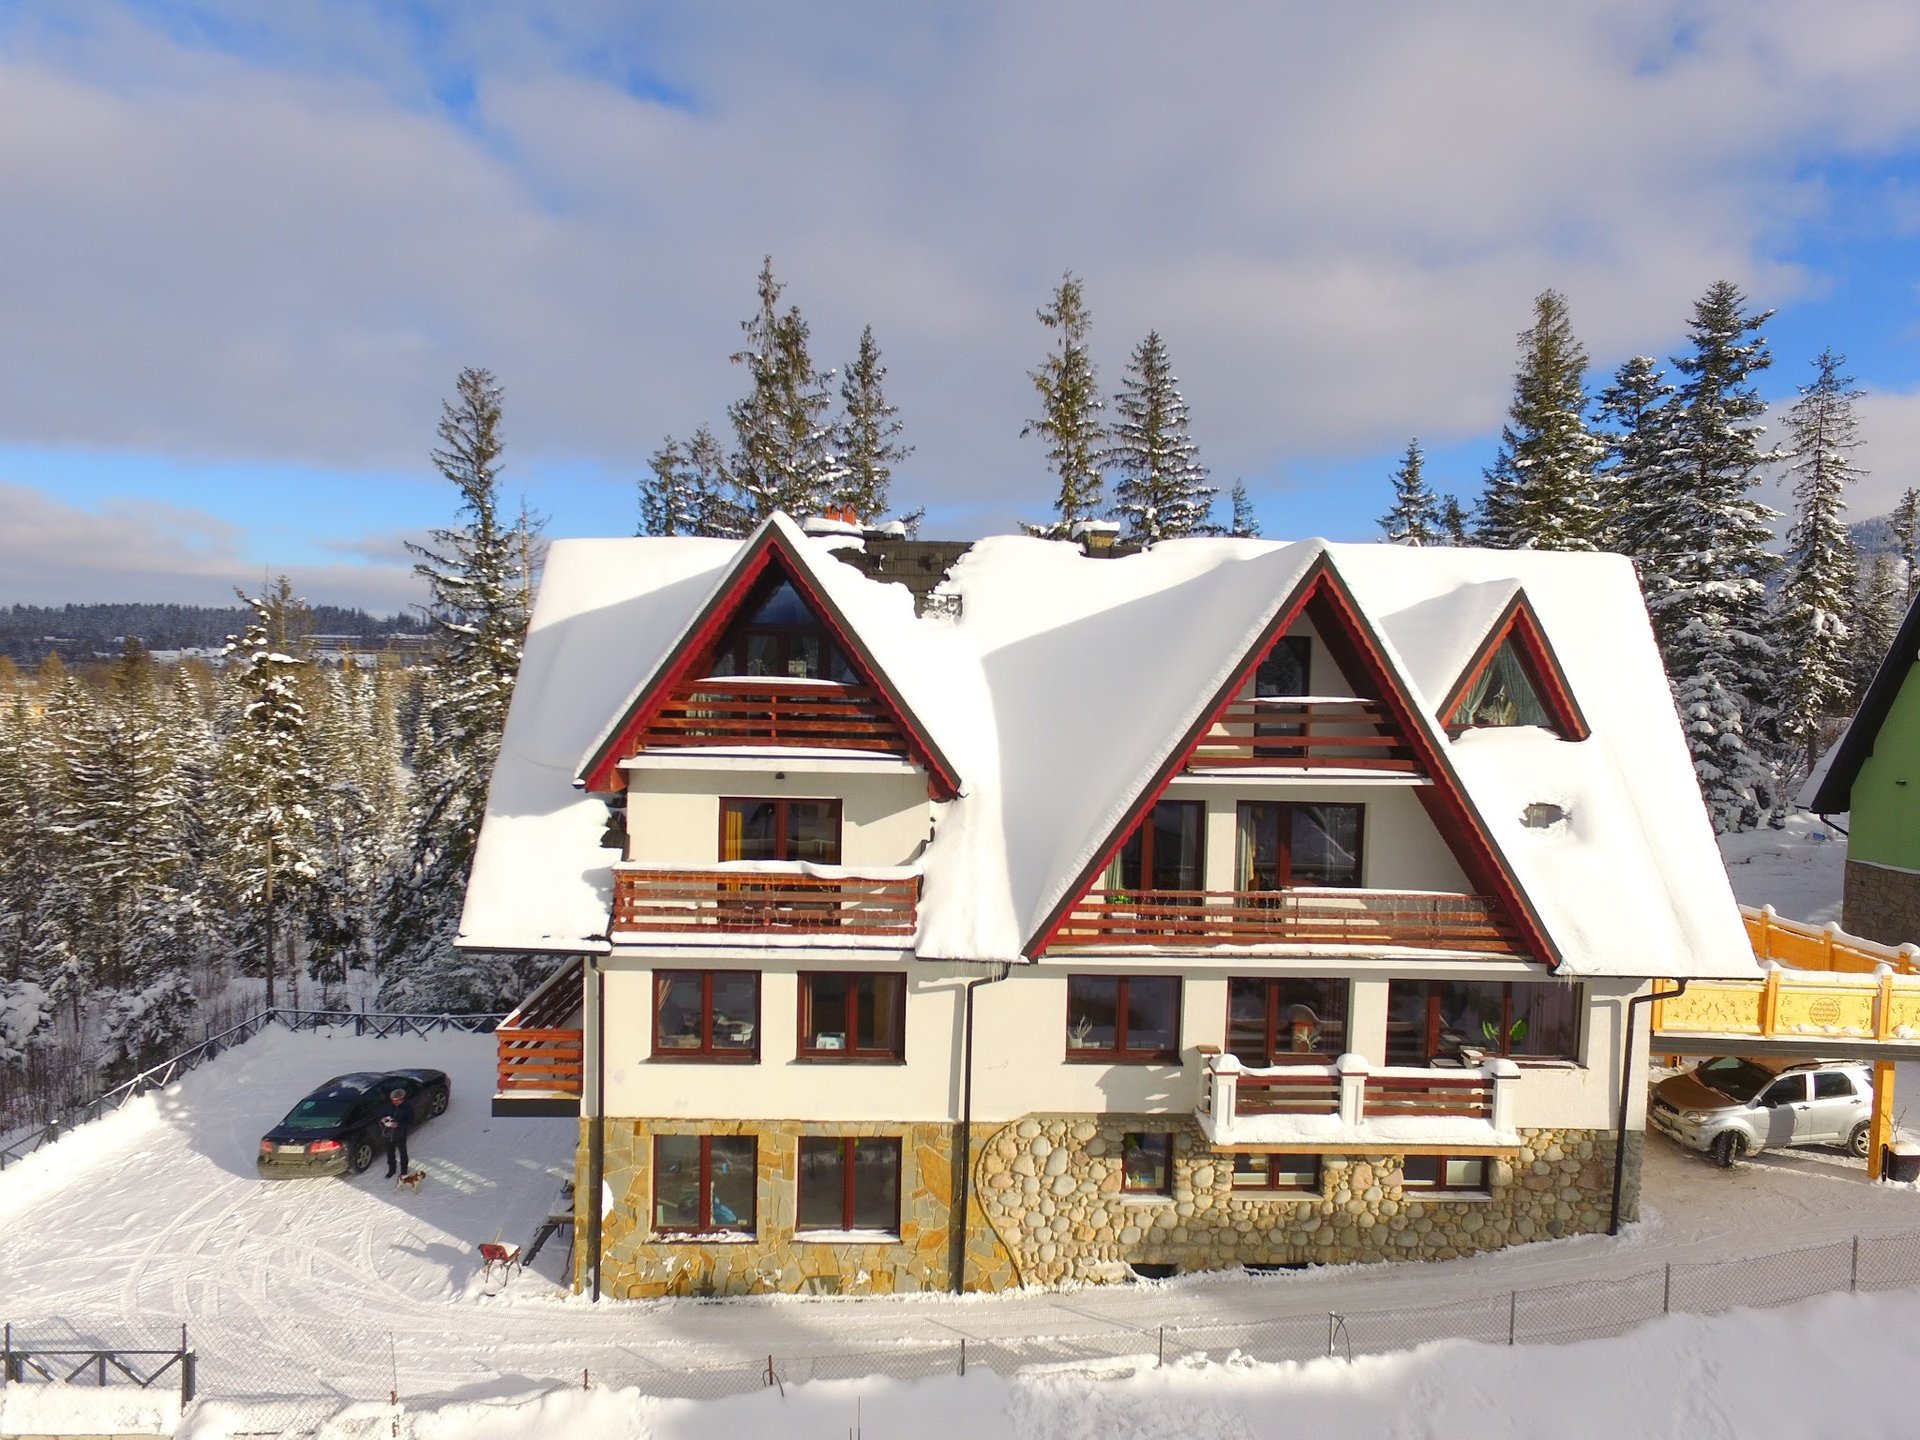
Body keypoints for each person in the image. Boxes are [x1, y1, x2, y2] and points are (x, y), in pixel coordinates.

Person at [379, 1086, 411, 1177]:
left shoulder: (407, 1108)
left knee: (403, 1153)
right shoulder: (389, 1106)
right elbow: (382, 1115)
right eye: (393, 1100)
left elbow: (409, 1121)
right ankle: (391, 1170)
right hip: (388, 1135)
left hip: (400, 1135)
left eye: (396, 1100)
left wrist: (398, 1124)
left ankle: (404, 1170)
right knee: (390, 1154)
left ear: (402, 1099)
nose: (394, 1102)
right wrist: (384, 1120)